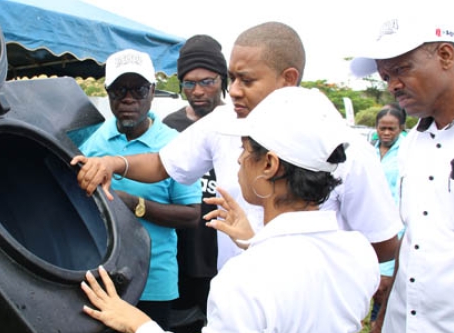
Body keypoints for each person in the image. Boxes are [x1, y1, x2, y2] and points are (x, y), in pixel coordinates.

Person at [80, 87, 380, 333]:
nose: (238, 160)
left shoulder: (245, 277)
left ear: (269, 165)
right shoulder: (359, 253)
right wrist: (254, 241)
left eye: (245, 150)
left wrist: (134, 320)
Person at [71, 21, 401, 267]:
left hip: (302, 311)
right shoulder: (223, 122)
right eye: (233, 78)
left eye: (248, 79)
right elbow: (163, 164)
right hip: (234, 300)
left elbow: (383, 244)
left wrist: (317, 275)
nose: (236, 91)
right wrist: (115, 163)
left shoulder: (344, 149)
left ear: (288, 79)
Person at [79, 48, 202, 333]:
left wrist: (134, 204)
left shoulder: (175, 145)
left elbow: (191, 215)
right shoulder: (91, 143)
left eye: (138, 89)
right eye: (120, 89)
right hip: (103, 275)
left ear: (151, 92)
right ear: (107, 93)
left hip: (154, 276)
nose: (129, 98)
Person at [350, 14, 454, 333]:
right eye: (385, 76)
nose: (392, 85)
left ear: (445, 55)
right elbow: (414, 238)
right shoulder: (412, 145)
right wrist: (383, 320)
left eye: (402, 69)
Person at [162, 34, 228, 333]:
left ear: (223, 79)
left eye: (207, 81)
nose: (198, 92)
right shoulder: (168, 127)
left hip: (227, 257)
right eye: (188, 84)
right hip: (181, 257)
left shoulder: (240, 124)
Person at [370, 106, 406, 328]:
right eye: (382, 128)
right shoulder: (370, 149)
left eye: (391, 129)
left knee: (384, 292)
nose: (386, 133)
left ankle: (379, 331)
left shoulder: (406, 153)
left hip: (394, 233)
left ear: (401, 128)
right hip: (370, 232)